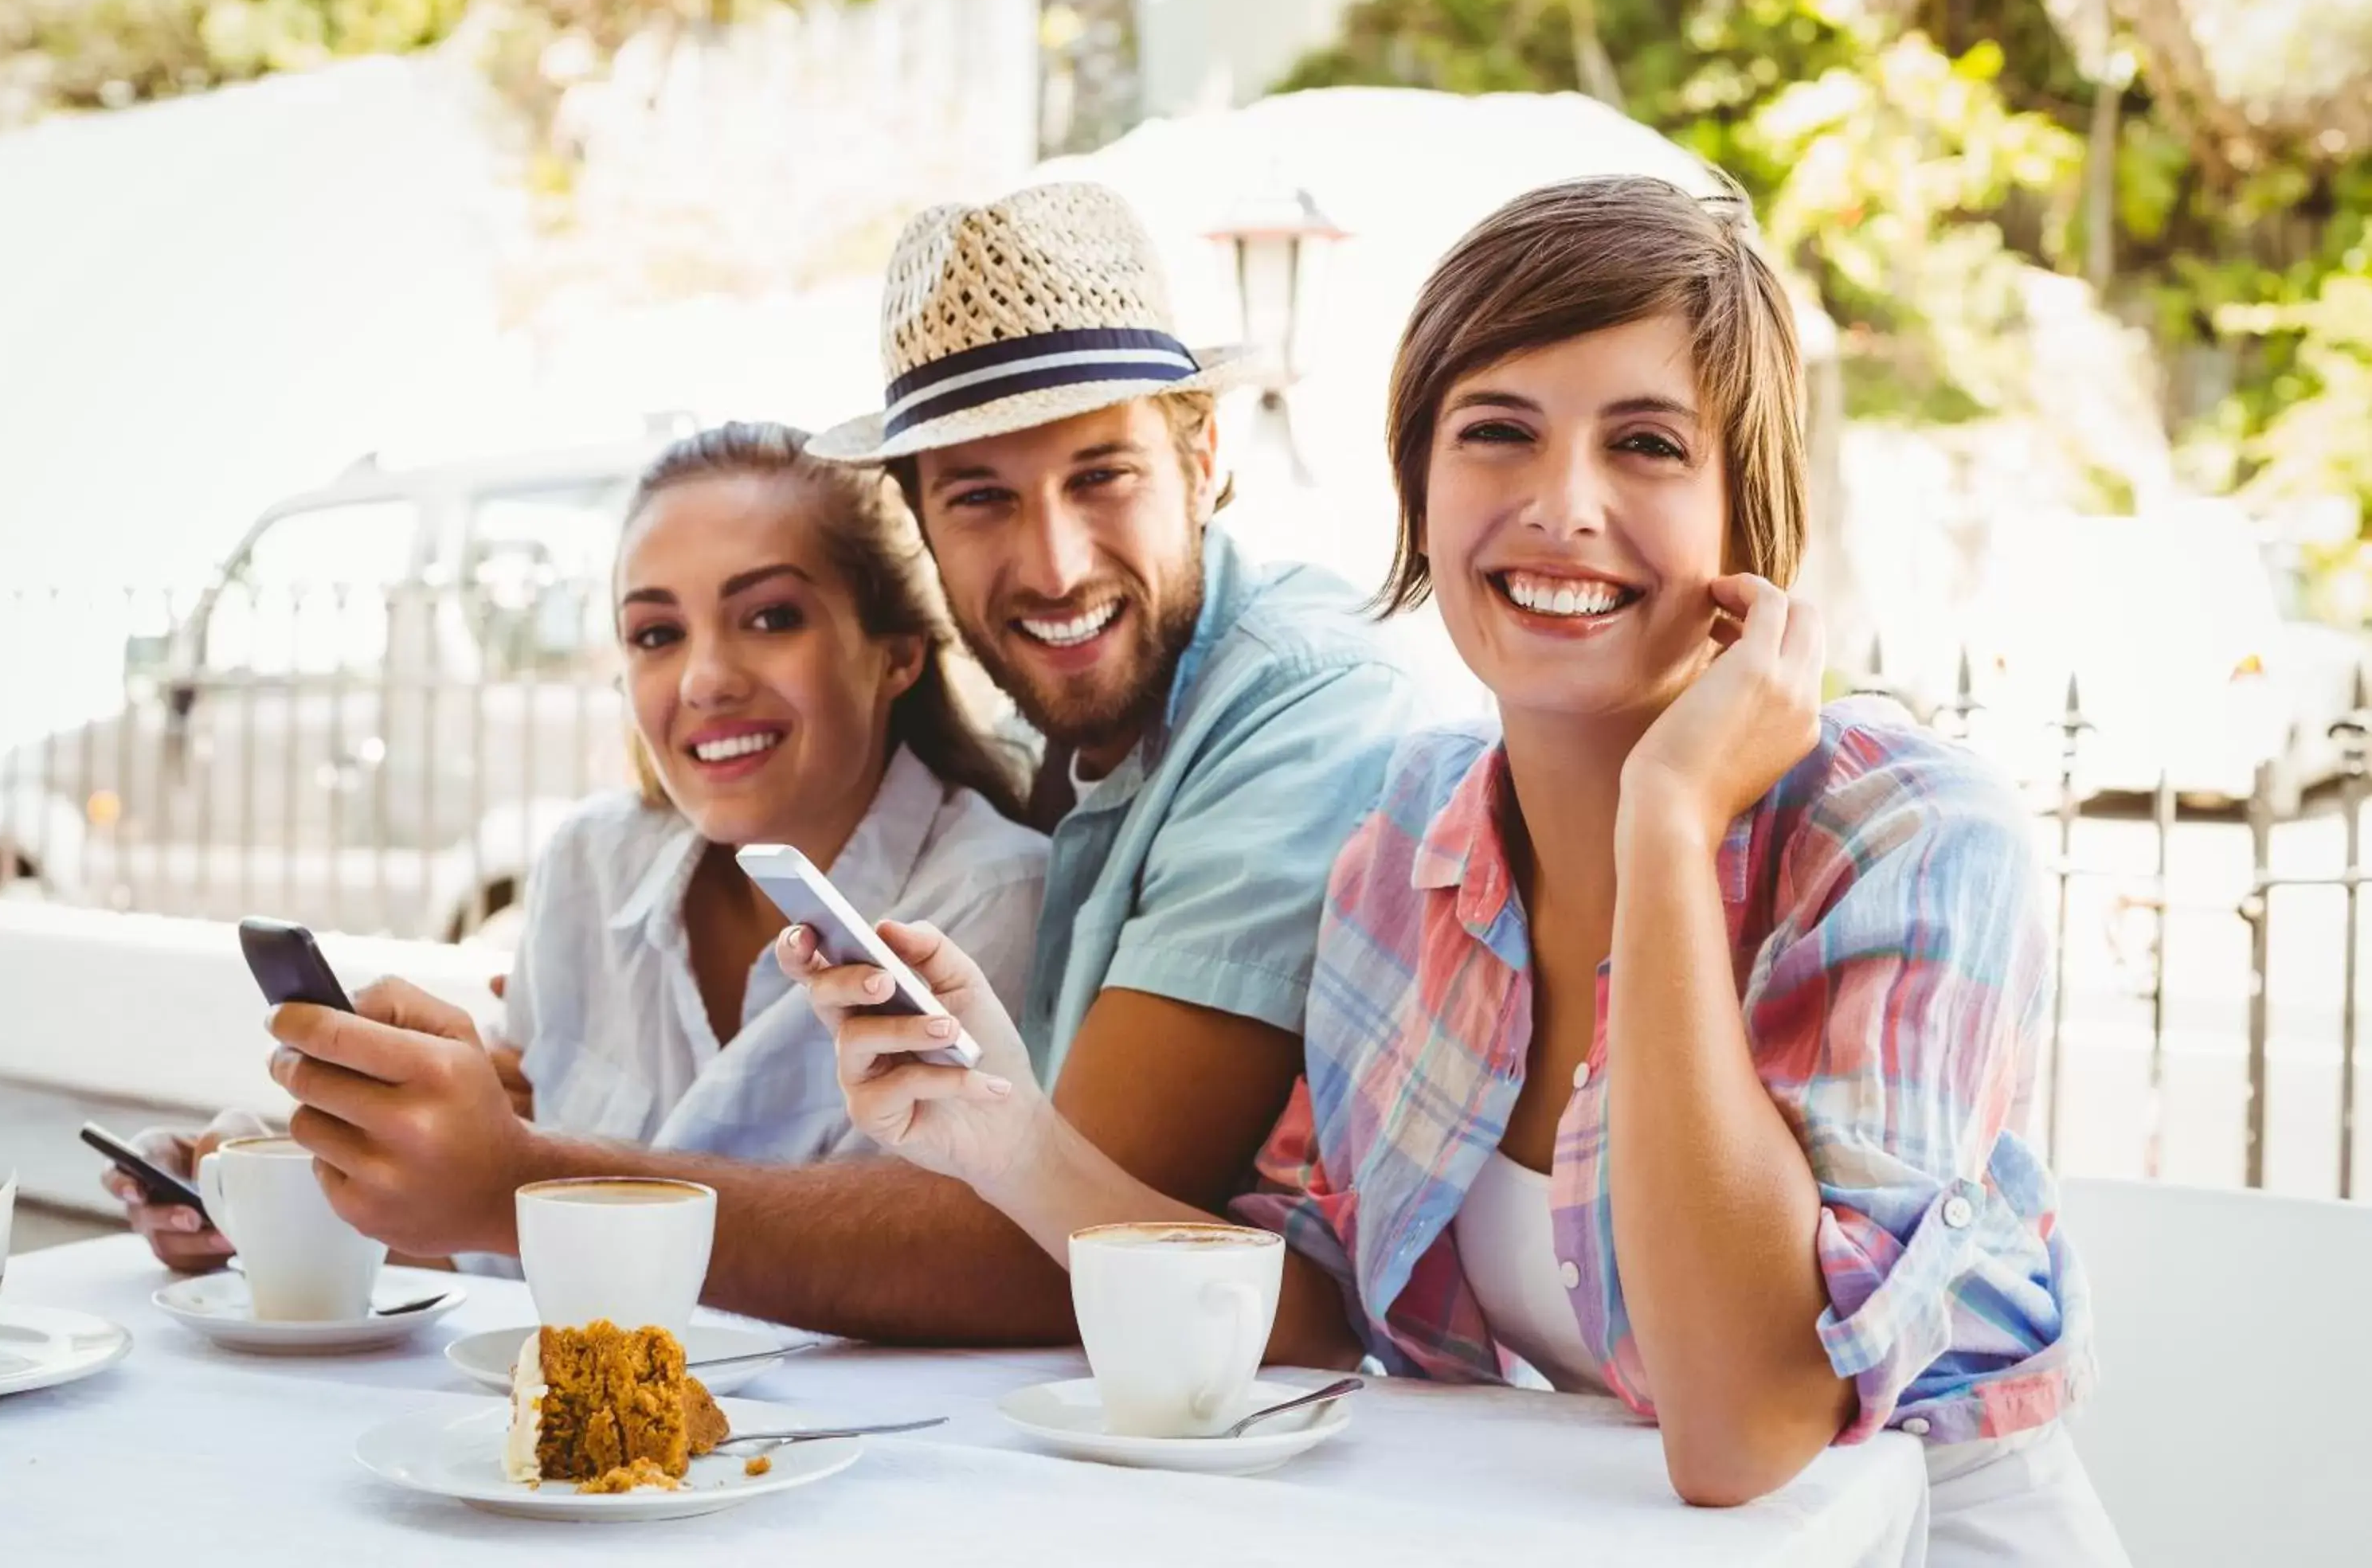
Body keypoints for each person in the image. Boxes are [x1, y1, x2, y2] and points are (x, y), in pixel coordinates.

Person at [789, 175, 2127, 1562]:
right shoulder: (1413, 838)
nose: (1562, 507)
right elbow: (1318, 1312)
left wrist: (1667, 826)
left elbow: (1743, 1429)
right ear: (1420, 489)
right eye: (1497, 433)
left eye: (1649, 446)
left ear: (1748, 514)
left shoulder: (1906, 835)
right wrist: (1010, 1140)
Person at [253, 182, 1419, 1343]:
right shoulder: (1039, 736)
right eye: (980, 498)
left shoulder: (1297, 713)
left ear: (1204, 455)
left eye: (1101, 475)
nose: (1054, 563)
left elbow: (1048, 1252)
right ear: (923, 524)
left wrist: (521, 1182)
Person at [108, 421, 1049, 1272]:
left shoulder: (992, 897)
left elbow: (956, 1258)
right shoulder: (589, 866)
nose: (707, 678)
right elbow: (491, 1244)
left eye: (770, 617)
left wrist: (511, 1179)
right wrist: (271, 1197)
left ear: (897, 653)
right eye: (656, 633)